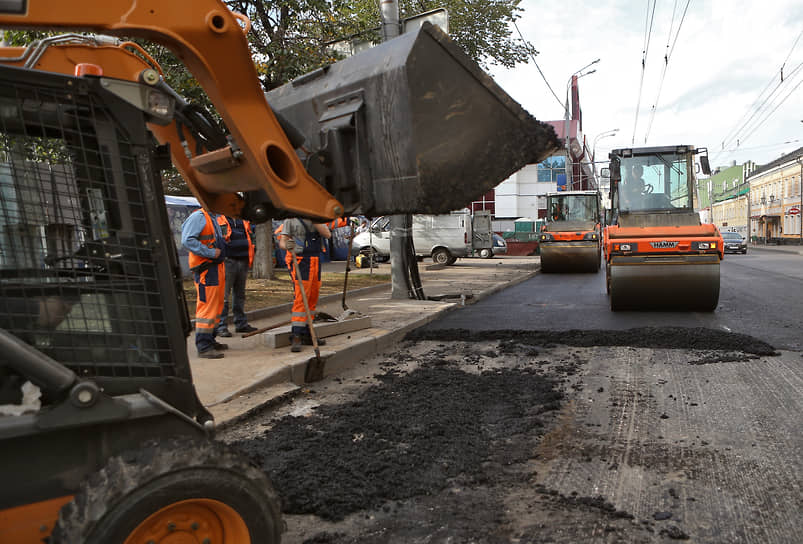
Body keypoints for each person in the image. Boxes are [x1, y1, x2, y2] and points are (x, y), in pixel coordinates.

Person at [278, 218, 331, 352]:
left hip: (315, 259)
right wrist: (287, 246)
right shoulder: (291, 220)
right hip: (300, 260)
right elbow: (282, 241)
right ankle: (296, 334)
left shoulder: (316, 218)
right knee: (302, 297)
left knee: (312, 297)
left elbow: (327, 234)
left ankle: (308, 332)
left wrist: (315, 220)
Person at [181, 207, 228, 359]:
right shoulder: (199, 217)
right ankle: (203, 346)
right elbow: (187, 240)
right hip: (206, 268)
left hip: (215, 267)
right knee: (207, 307)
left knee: (216, 305)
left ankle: (210, 339)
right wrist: (210, 252)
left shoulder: (213, 217)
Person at [215, 212, 258, 337]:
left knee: (240, 295)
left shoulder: (243, 220)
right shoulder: (220, 219)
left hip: (243, 259)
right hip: (228, 260)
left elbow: (251, 235)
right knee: (224, 295)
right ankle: (221, 326)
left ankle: (241, 323)